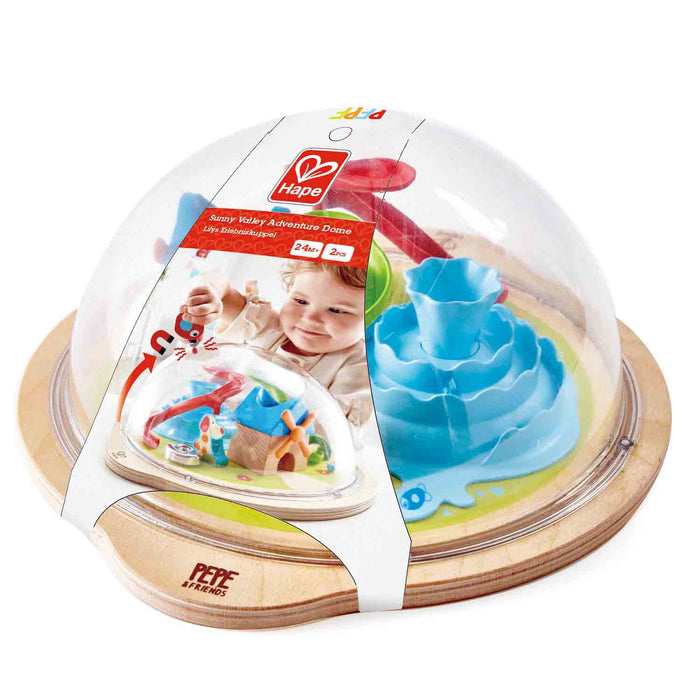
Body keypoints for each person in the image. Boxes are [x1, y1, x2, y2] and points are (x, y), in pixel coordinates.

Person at [180, 260, 372, 435]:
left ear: (371, 316)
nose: (310, 318)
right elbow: (221, 286)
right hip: (216, 429)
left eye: (337, 310)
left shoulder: (360, 367)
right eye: (301, 301)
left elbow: (337, 434)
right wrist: (210, 294)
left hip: (282, 453)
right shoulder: (267, 323)